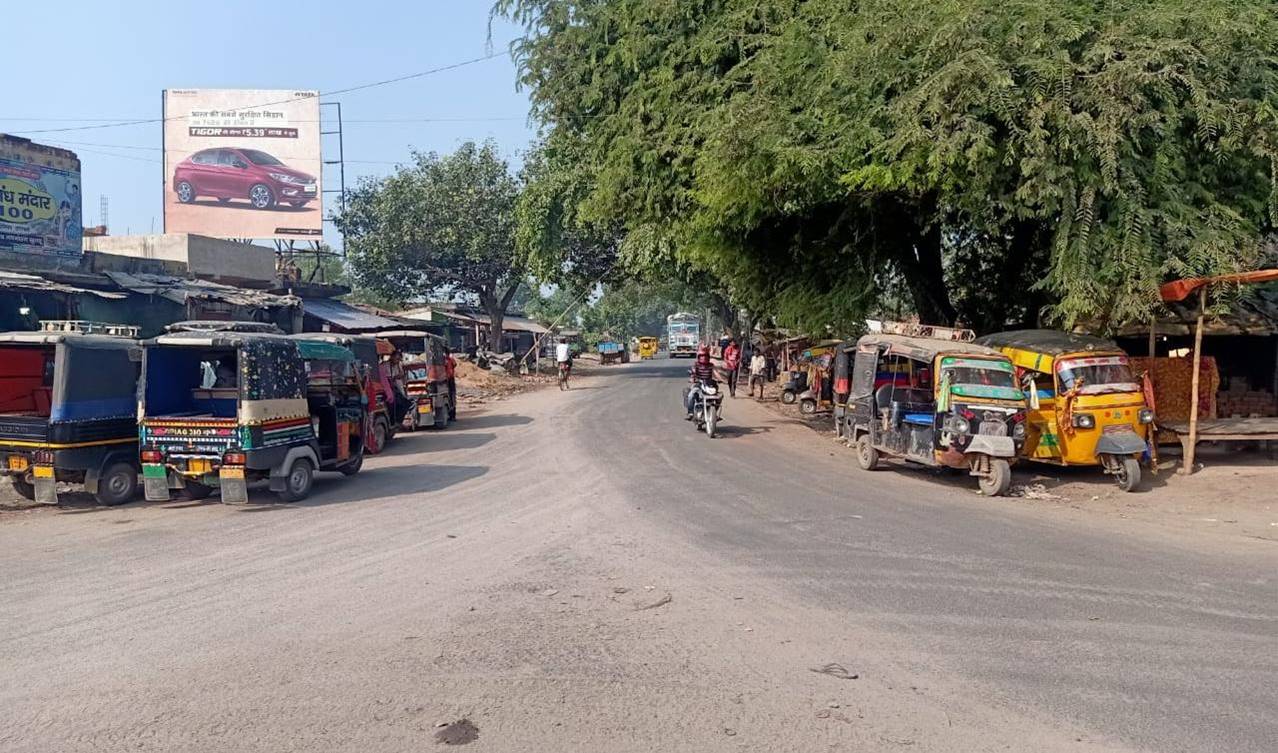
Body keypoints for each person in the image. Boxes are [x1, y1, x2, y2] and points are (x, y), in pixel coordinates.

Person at [684, 345, 717, 419]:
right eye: (702, 356)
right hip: (698, 384)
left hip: (709, 384)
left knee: (719, 396)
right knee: (690, 395)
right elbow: (693, 372)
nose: (704, 358)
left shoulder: (711, 365)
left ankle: (715, 413)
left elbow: (716, 373)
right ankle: (690, 413)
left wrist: (721, 379)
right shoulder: (696, 365)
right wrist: (693, 378)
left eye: (705, 356)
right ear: (699, 357)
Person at [444, 346, 458, 421]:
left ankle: (452, 415)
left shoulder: (448, 360)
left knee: (451, 397)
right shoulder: (448, 360)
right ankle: (451, 415)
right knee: (449, 397)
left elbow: (455, 364)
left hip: (449, 380)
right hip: (447, 379)